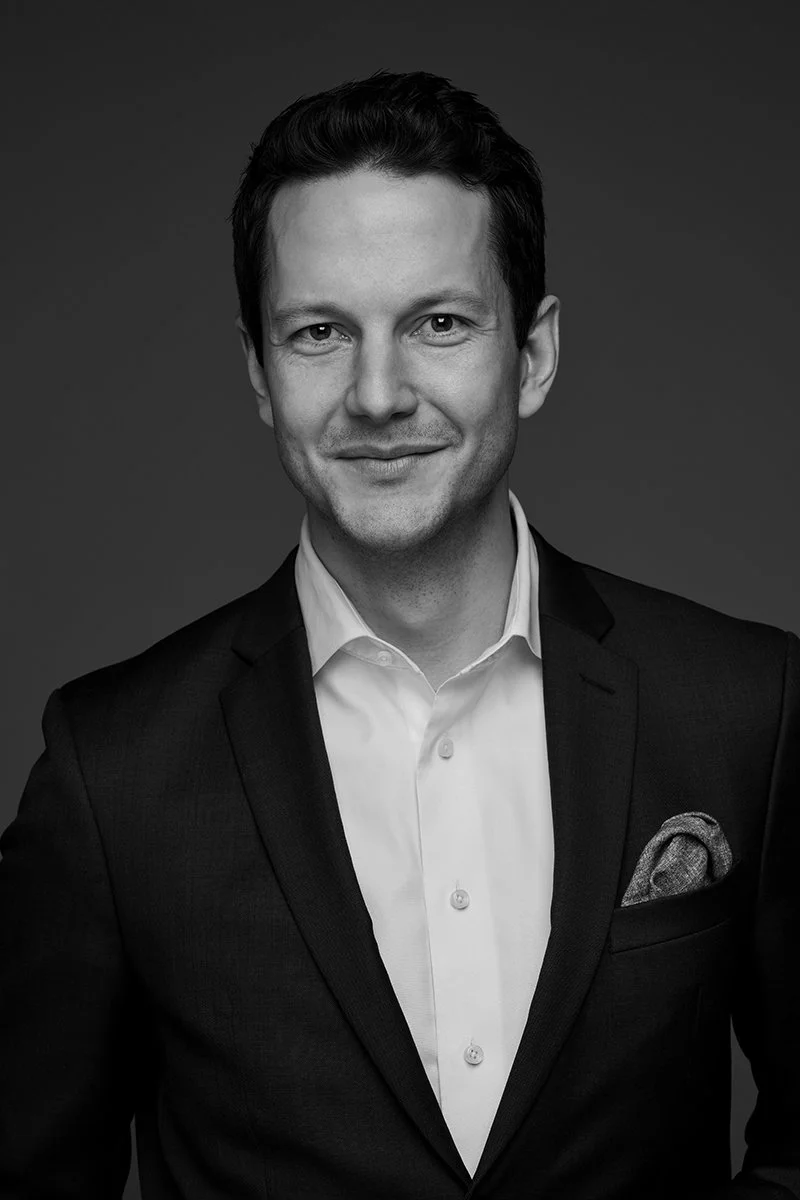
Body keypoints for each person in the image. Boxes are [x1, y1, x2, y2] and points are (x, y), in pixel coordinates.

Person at [0, 68, 797, 1200]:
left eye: (437, 322)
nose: (378, 393)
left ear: (531, 354)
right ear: (258, 375)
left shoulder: (743, 707)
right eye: (319, 331)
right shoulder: (111, 770)